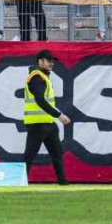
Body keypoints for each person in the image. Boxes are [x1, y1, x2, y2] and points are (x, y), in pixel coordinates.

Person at [23, 49, 71, 186]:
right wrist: (59, 115)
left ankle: (63, 182)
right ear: (40, 61)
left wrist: (55, 117)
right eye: (49, 60)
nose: (52, 63)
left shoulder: (43, 77)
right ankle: (20, 182)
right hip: (37, 124)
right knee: (30, 155)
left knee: (57, 153)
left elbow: (44, 101)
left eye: (52, 61)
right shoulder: (36, 77)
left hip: (48, 123)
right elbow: (40, 100)